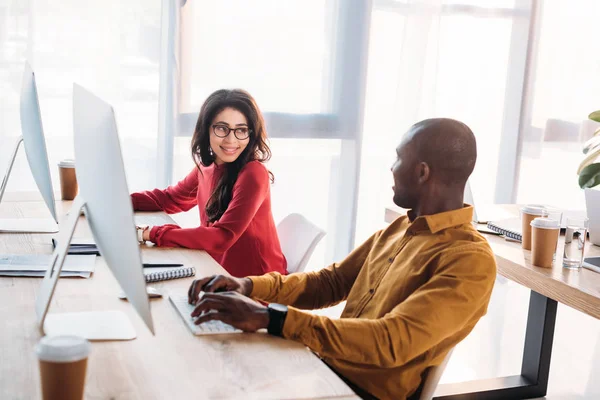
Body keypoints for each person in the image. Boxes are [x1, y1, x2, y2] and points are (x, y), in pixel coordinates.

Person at [186, 118, 497, 400]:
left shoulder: (469, 260)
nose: (392, 166)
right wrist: (248, 287)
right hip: (324, 371)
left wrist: (271, 318)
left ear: (422, 172)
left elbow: (392, 341)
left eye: (400, 157)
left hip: (357, 392)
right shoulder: (401, 228)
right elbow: (329, 283)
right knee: (205, 369)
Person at [131, 89, 287, 277]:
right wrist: (114, 201)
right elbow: (169, 199)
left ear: (251, 134)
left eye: (241, 130)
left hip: (255, 286)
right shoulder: (208, 167)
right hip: (217, 273)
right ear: (207, 130)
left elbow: (222, 238)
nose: (231, 140)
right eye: (222, 128)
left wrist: (150, 233)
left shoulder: (253, 174)